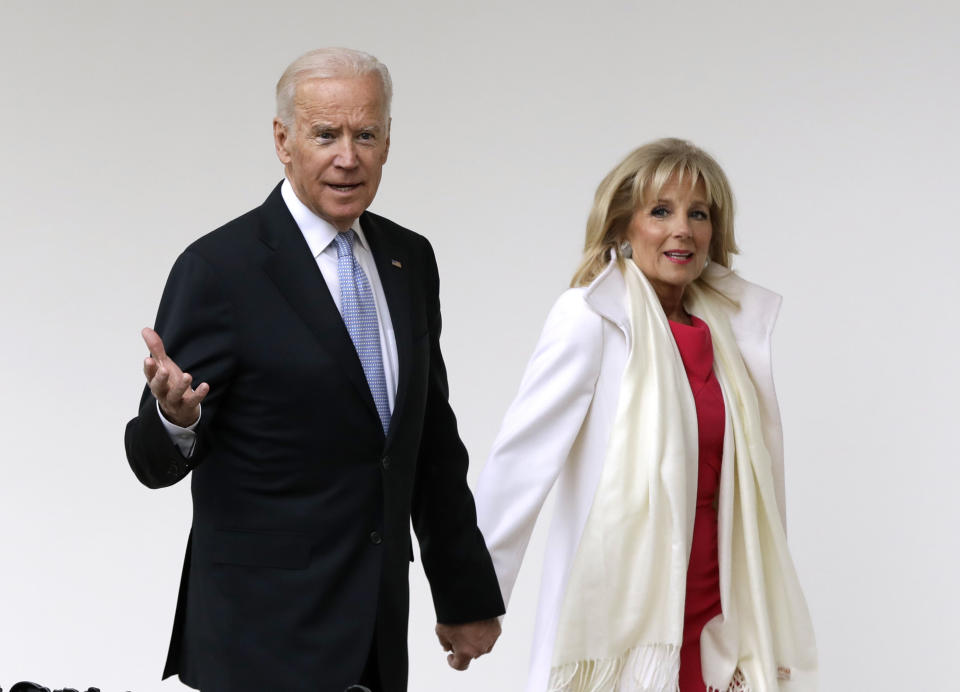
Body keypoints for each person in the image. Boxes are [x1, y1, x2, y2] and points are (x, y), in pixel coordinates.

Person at [124, 47, 503, 692]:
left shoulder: (410, 260)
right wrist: (173, 418)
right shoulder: (220, 269)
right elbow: (148, 460)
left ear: (388, 142)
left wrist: (464, 591)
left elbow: (427, 437)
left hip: (374, 634)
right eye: (326, 134)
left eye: (366, 135)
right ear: (283, 140)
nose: (347, 157)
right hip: (258, 642)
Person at [475, 139, 818, 691]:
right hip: (631, 612)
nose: (681, 228)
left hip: (718, 607)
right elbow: (520, 461)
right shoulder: (590, 317)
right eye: (661, 211)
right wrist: (474, 595)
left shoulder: (728, 334)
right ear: (622, 226)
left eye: (698, 213)